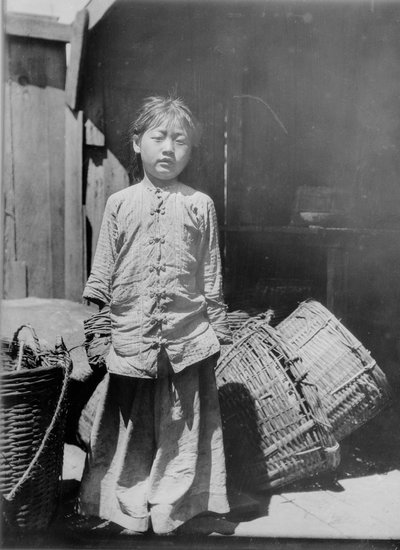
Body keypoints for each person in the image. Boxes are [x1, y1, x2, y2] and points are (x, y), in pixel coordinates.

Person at [78, 95, 232, 535]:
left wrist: (217, 330)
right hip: (132, 339)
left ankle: (173, 509)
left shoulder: (200, 204)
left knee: (182, 431)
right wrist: (98, 333)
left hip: (188, 339)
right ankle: (125, 504)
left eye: (179, 140)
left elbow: (212, 274)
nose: (168, 149)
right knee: (132, 430)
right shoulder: (120, 204)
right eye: (158, 137)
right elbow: (102, 274)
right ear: (137, 143)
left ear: (190, 149)